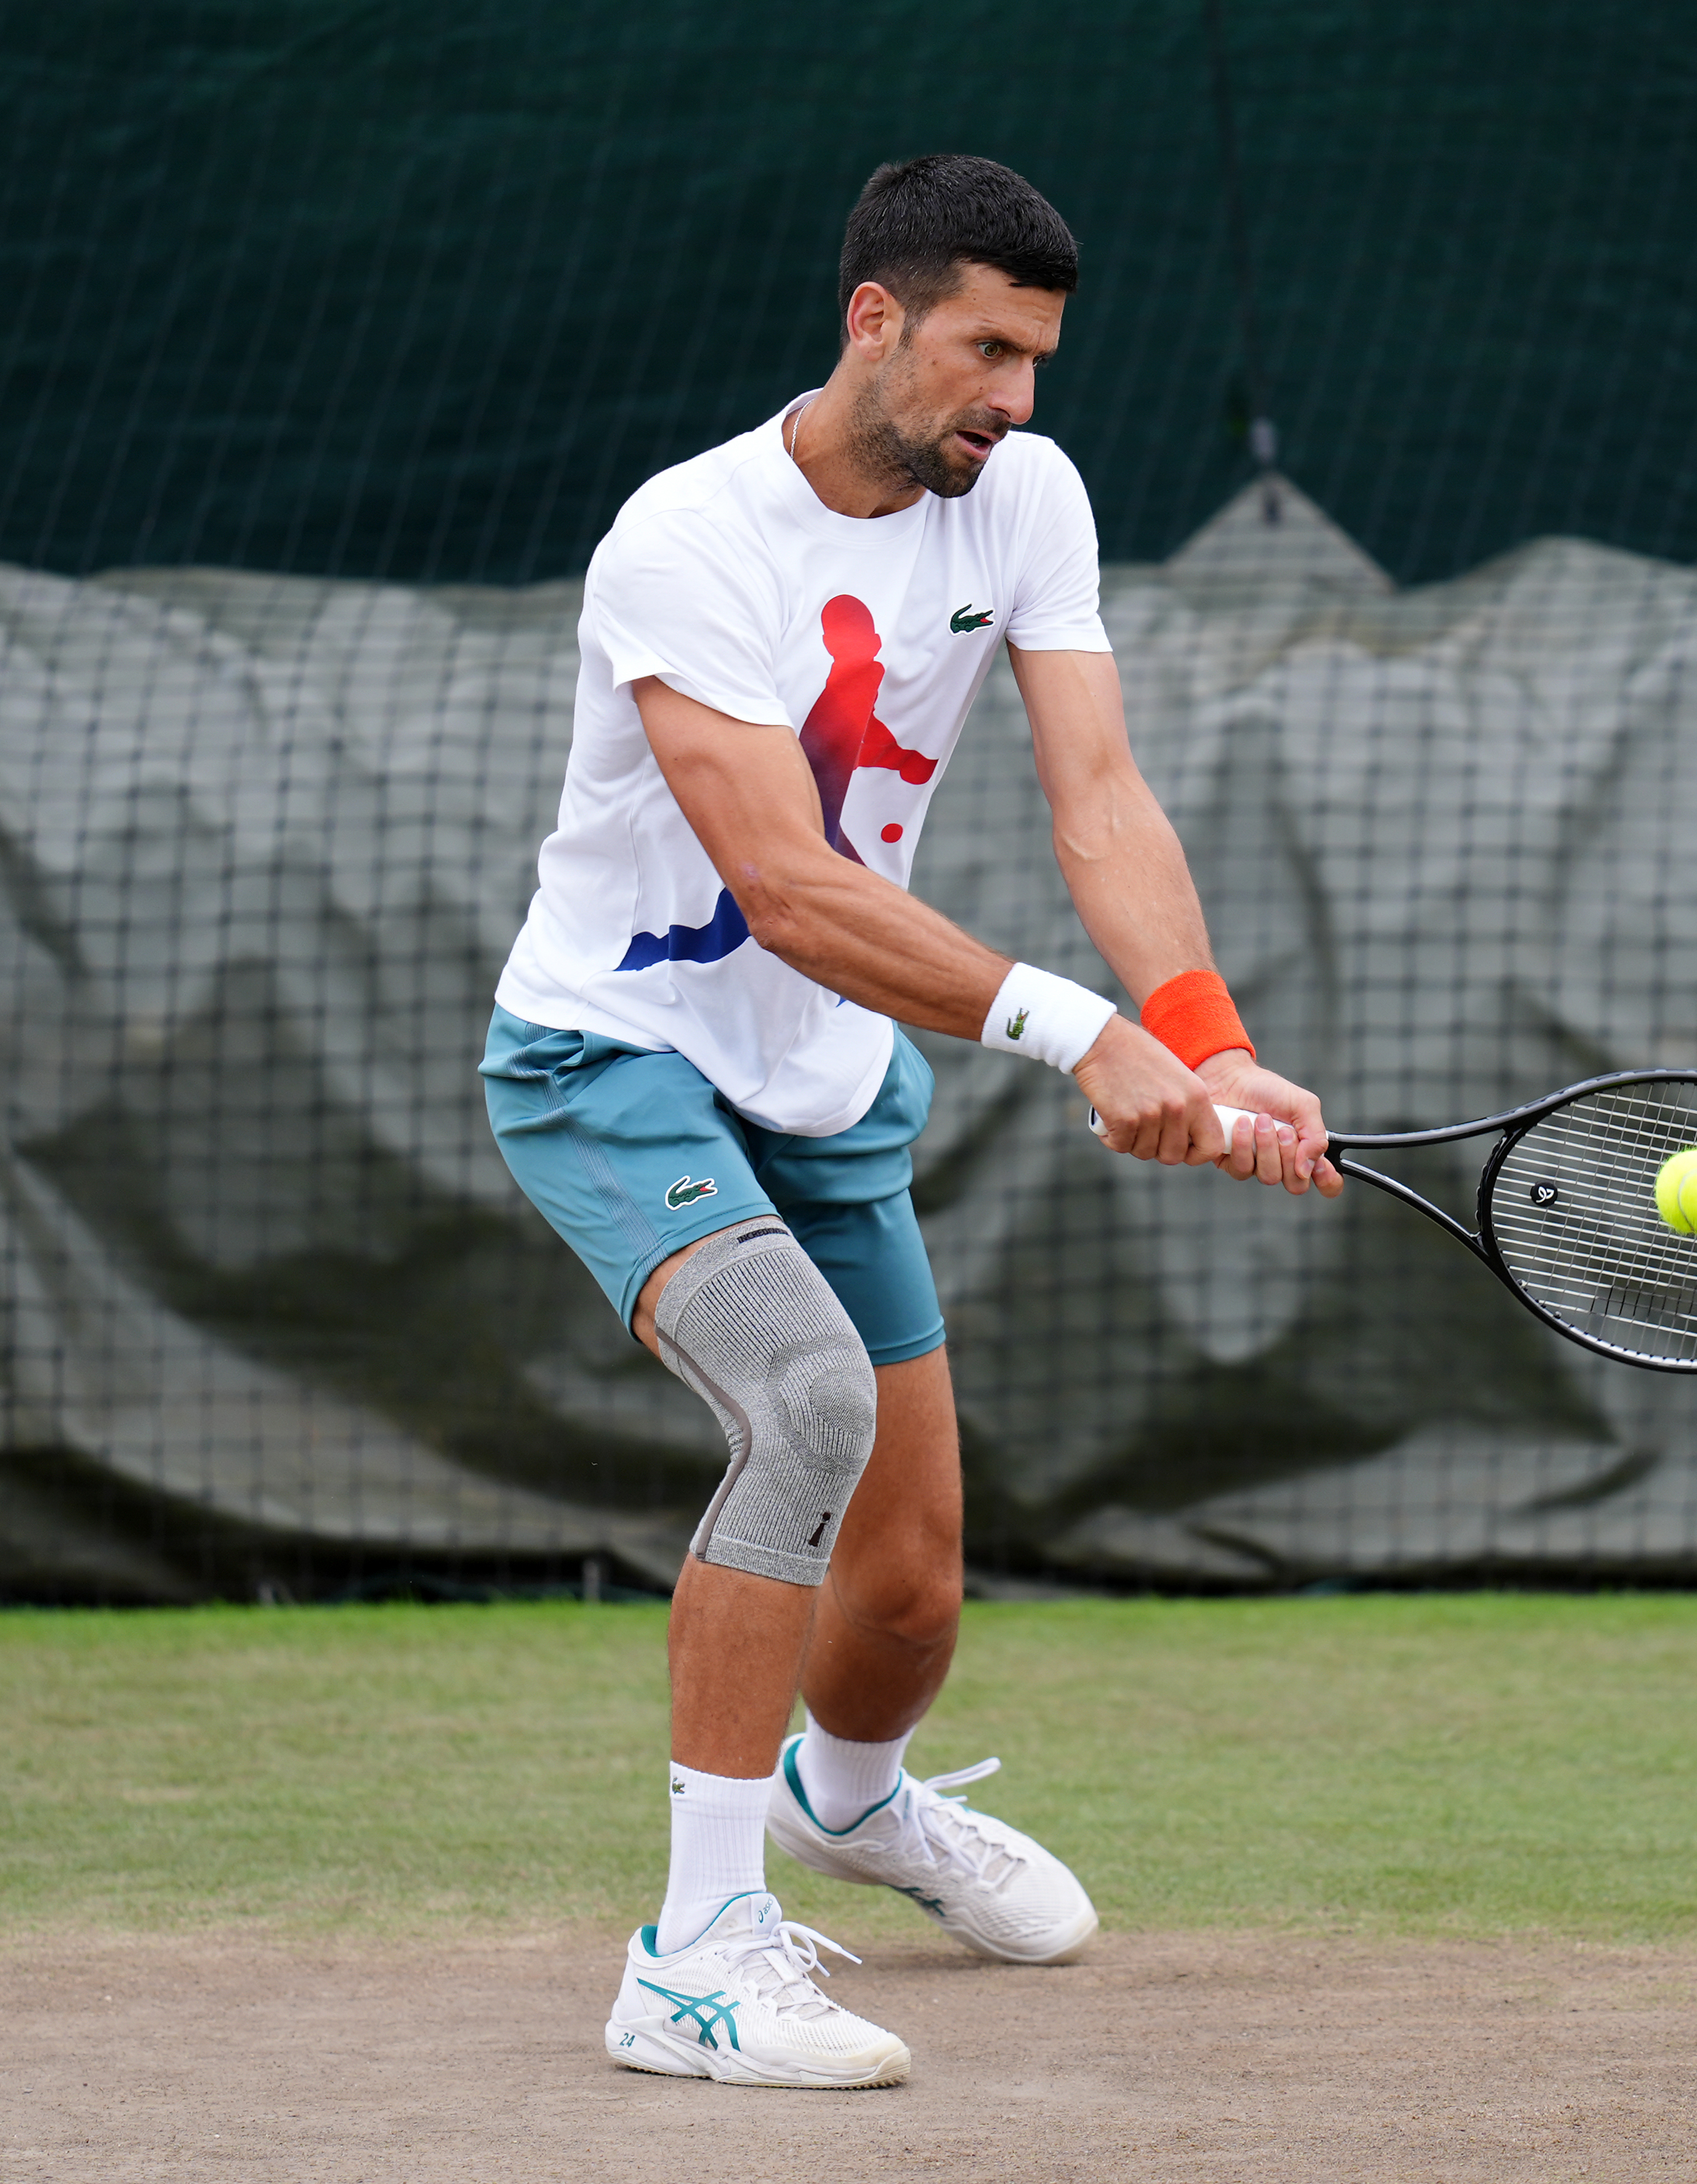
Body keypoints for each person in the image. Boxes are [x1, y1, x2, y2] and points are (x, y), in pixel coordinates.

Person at [480, 152, 1340, 2090]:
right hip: (616, 1053)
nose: (1014, 399)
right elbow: (786, 887)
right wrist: (1076, 1032)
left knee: (906, 1586)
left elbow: (1098, 798)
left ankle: (848, 1805)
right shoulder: (684, 541)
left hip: (829, 1078)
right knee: (805, 1403)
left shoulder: (1020, 497)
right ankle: (688, 1953)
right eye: (983, 351)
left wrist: (1200, 1039)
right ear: (874, 318)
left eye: (1036, 360)